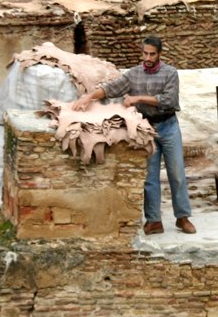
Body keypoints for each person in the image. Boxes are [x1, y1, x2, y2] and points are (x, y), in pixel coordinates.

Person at [71, 36, 196, 235]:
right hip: (146, 128)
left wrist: (138, 98)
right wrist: (88, 97)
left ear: (159, 54)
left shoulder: (170, 73)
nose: (148, 57)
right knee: (150, 177)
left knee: (177, 174)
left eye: (152, 54)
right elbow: (110, 89)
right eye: (145, 53)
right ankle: (154, 220)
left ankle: (182, 217)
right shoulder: (133, 75)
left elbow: (168, 100)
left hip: (168, 126)